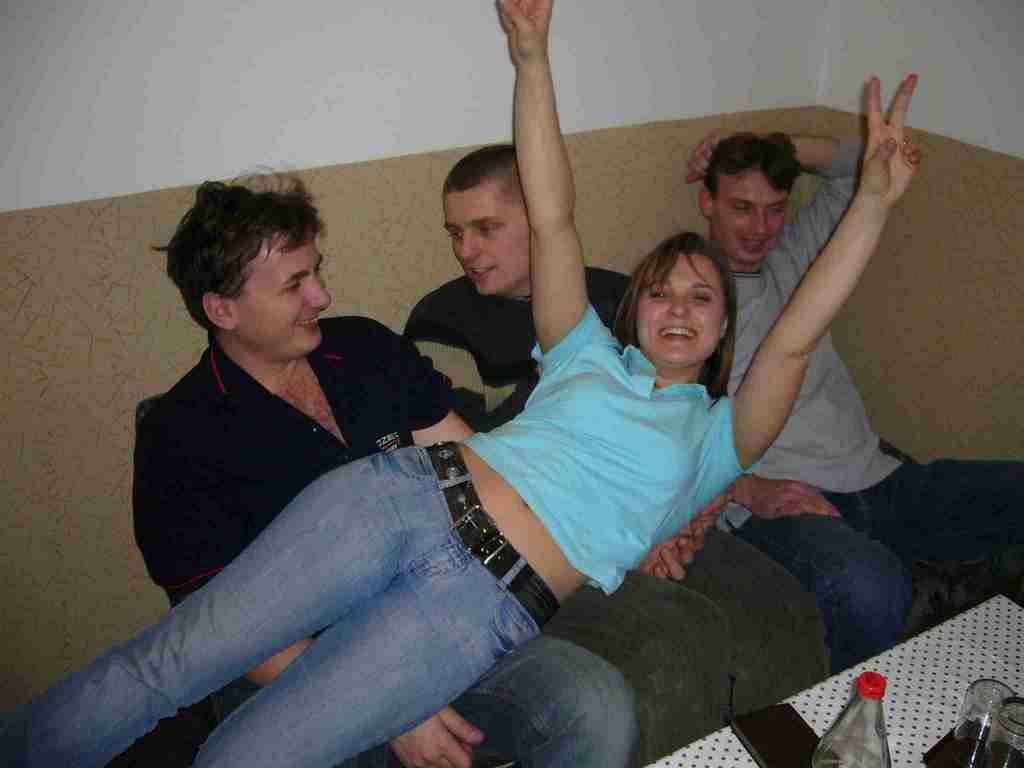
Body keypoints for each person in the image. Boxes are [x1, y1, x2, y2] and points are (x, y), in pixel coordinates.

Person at [3, 0, 921, 765]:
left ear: (724, 329)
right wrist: (533, 58)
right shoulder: (583, 355)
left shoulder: (720, 439)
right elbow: (551, 217)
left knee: (244, 758)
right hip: (399, 499)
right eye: (663, 290)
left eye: (703, 296)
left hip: (480, 606)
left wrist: (874, 203)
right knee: (162, 666)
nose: (680, 305)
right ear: (634, 308)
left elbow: (795, 339)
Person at [117, 172, 636, 768]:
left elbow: (481, 470)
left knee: (595, 704)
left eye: (316, 272)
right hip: (294, 666)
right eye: (295, 285)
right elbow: (220, 628)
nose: (321, 297)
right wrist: (393, 708)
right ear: (222, 309)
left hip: (443, 617)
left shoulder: (365, 349)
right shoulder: (179, 438)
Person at [679, 119, 1024, 672]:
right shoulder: (687, 298)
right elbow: (665, 431)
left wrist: (779, 146)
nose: (760, 228)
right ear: (707, 203)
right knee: (872, 587)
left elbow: (862, 169)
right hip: (786, 501)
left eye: (774, 208)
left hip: (881, 480)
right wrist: (748, 488)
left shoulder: (797, 259)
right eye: (742, 207)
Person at [405, 143, 629, 432]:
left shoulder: (624, 299)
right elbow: (466, 449)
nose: (465, 251)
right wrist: (551, 380)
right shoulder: (438, 321)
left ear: (540, 219)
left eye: (486, 229)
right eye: (456, 233)